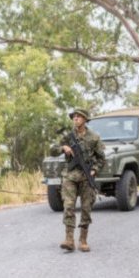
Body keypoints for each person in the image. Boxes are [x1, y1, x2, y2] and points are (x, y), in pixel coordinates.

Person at [50, 108, 105, 252]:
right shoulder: (68, 137)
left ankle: (83, 239)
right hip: (70, 175)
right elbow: (53, 150)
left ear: (85, 119)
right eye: (74, 117)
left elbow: (101, 158)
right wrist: (63, 148)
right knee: (69, 206)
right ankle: (69, 239)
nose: (75, 119)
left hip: (86, 177)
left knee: (86, 208)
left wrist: (94, 170)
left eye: (79, 117)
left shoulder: (94, 137)